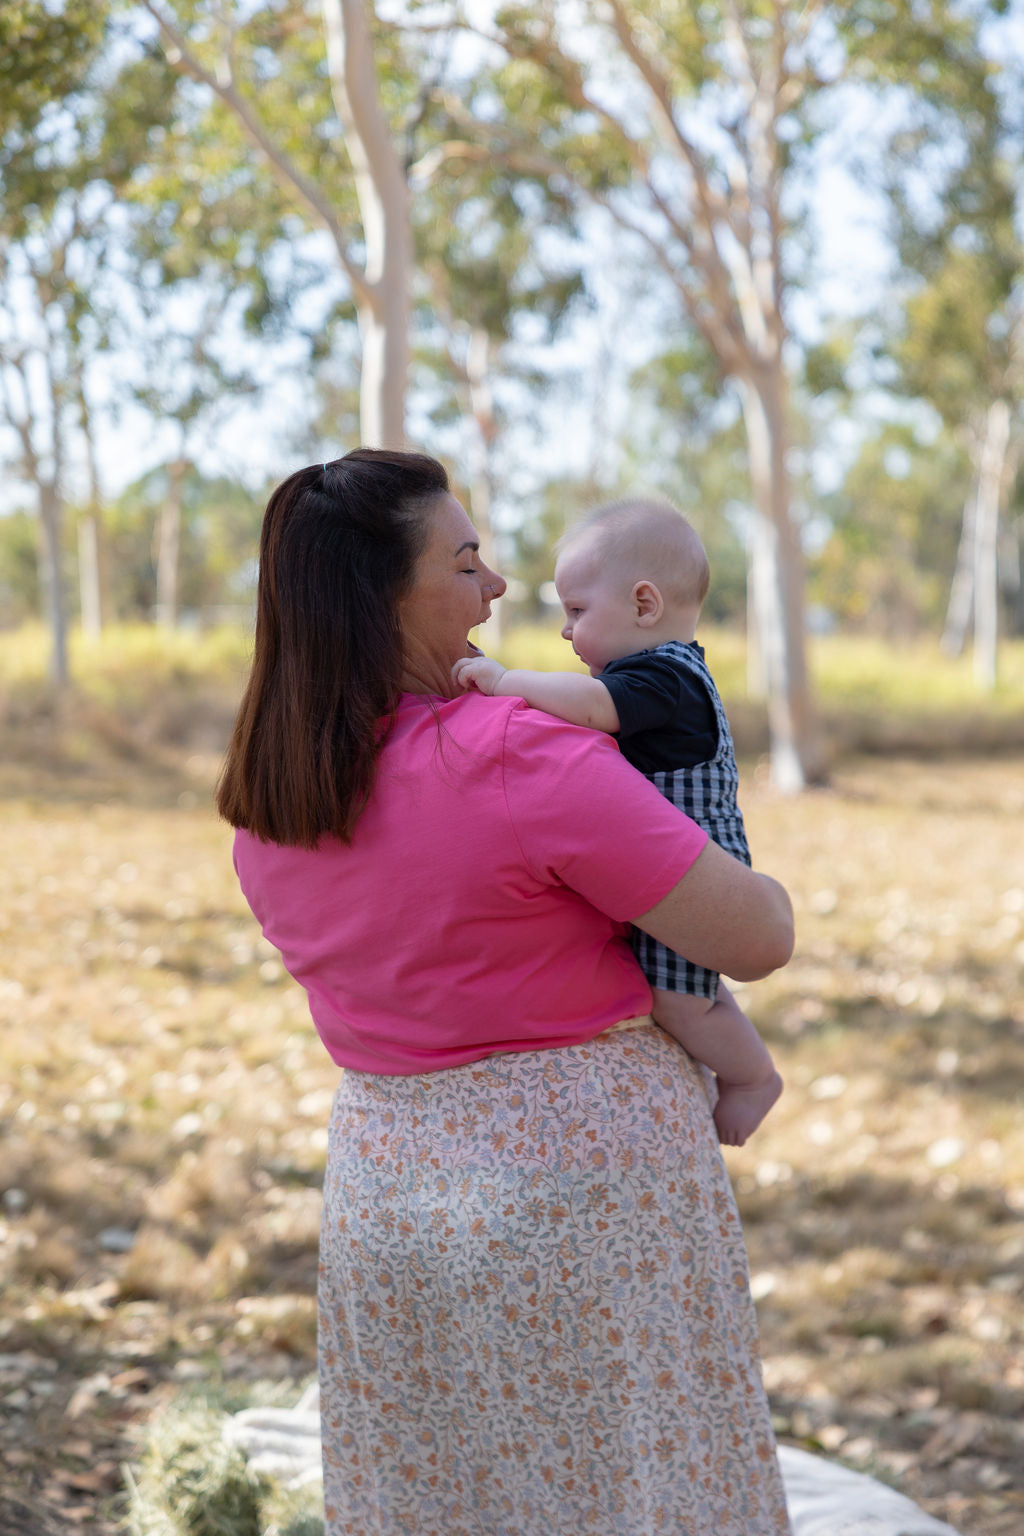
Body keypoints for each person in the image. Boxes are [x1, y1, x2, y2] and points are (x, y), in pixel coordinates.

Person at [218, 448, 795, 1536]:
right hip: (582, 1212)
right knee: (635, 1494)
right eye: (468, 562)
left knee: (440, 1497)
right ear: (384, 597)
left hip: (384, 1211)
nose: (497, 590)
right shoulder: (514, 753)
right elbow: (757, 937)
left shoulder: (268, 806)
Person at [453, 497, 783, 1147]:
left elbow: (590, 708)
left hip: (696, 853)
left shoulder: (660, 678)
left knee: (680, 999)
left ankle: (751, 1078)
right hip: (671, 852)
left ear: (643, 605)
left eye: (576, 611)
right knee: (683, 982)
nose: (566, 632)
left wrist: (502, 680)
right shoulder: (665, 669)